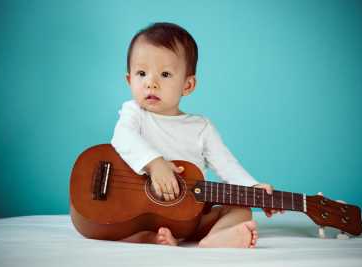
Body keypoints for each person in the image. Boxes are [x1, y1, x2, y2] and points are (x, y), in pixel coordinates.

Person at [111, 22, 281, 248]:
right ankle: (152, 238)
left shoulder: (201, 127)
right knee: (113, 223)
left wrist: (251, 187)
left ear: (188, 85)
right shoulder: (135, 113)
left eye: (165, 74)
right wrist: (155, 164)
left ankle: (214, 239)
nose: (151, 82)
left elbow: (226, 164)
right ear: (129, 80)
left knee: (241, 210)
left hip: (189, 218)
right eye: (141, 73)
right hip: (144, 216)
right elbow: (122, 137)